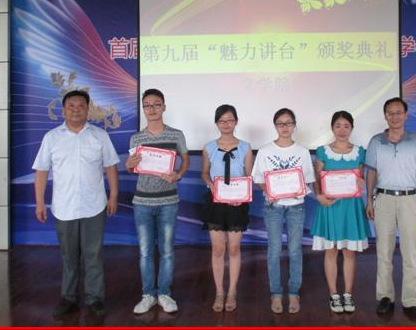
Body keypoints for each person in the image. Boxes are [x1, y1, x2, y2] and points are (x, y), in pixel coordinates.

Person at [33, 90, 119, 318]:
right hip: (64, 207)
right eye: (71, 106)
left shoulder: (100, 136)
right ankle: (69, 297)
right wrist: (39, 202)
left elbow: (111, 166)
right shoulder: (52, 137)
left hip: (94, 205)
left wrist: (113, 196)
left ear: (88, 109)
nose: (76, 110)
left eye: (81, 105)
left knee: (93, 255)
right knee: (69, 256)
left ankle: (95, 298)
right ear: (63, 110)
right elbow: (41, 171)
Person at [365, 97, 416, 321]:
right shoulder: (376, 141)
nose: (395, 117)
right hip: (383, 199)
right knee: (383, 251)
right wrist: (369, 200)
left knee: (410, 253)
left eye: (398, 112)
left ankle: (411, 301)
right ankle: (385, 297)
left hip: (409, 200)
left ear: (406, 115)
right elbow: (371, 173)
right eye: (390, 113)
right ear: (385, 116)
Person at [125, 89, 190, 314]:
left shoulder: (176, 135)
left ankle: (164, 293)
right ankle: (148, 295)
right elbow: (132, 168)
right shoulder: (137, 138)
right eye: (147, 105)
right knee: (145, 252)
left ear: (164, 107)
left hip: (168, 200)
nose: (152, 109)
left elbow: (185, 159)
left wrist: (178, 175)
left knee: (167, 251)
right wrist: (129, 165)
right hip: (142, 201)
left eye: (156, 104)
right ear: (143, 109)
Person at [251, 108, 315, 314]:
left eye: (288, 123)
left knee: (295, 250)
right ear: (275, 126)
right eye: (280, 123)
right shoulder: (265, 151)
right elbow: (259, 179)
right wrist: (270, 190)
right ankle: (276, 293)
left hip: (296, 206)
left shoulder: (302, 151)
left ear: (294, 125)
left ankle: (294, 291)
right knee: (274, 250)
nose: (285, 127)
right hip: (273, 207)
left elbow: (308, 180)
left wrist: (296, 189)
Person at [310, 111, 371, 314]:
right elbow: (316, 177)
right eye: (338, 126)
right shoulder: (322, 151)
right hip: (330, 206)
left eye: (346, 126)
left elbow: (361, 177)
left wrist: (361, 182)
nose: (342, 130)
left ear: (352, 128)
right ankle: (334, 294)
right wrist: (319, 195)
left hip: (351, 207)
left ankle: (348, 294)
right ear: (332, 128)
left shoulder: (360, 152)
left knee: (349, 252)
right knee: (331, 251)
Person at [200, 104, 253, 313]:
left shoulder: (246, 147)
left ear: (236, 122)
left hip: (238, 204)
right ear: (216, 123)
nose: (226, 124)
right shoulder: (208, 147)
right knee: (218, 249)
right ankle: (219, 292)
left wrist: (242, 196)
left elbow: (249, 176)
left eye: (230, 120)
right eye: (222, 120)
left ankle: (232, 291)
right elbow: (205, 173)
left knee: (233, 248)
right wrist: (211, 185)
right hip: (215, 202)